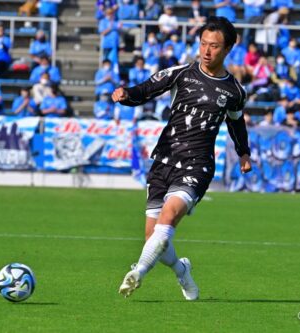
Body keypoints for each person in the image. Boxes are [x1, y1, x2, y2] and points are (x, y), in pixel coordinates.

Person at [112, 16, 252, 300]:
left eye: (214, 46)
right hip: (163, 160)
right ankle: (181, 270)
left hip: (197, 165)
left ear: (227, 50)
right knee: (154, 238)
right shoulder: (182, 74)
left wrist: (243, 153)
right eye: (203, 44)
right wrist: (126, 95)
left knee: (168, 216)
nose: (206, 51)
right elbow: (147, 89)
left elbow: (236, 123)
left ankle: (137, 272)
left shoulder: (234, 91)